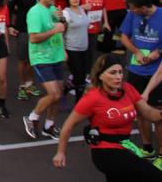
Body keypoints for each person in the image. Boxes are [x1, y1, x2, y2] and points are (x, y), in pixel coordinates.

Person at [52, 53, 162, 181]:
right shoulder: (93, 98)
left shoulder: (128, 89)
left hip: (124, 146)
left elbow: (149, 113)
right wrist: (60, 153)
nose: (118, 77)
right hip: (105, 151)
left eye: (120, 72)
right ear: (101, 75)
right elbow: (68, 125)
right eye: (113, 73)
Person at [120, 0, 162, 155]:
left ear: (144, 8)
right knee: (140, 112)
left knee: (158, 115)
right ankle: (147, 148)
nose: (130, 9)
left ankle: (161, 153)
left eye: (133, 7)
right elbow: (124, 37)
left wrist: (158, 51)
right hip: (136, 71)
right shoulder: (132, 15)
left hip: (157, 73)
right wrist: (136, 51)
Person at [23, 0, 67, 140]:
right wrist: (55, 30)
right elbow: (34, 38)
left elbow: (61, 28)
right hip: (41, 57)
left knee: (58, 94)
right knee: (54, 94)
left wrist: (63, 21)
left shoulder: (53, 9)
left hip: (56, 55)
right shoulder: (34, 13)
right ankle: (32, 117)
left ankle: (49, 126)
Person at [9, 0, 42, 101]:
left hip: (38, 31)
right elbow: (9, 7)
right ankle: (22, 86)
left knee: (33, 60)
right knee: (23, 60)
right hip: (23, 30)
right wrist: (10, 25)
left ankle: (30, 84)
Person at [62, 0, 91, 102]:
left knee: (82, 76)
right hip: (72, 49)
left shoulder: (82, 10)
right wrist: (63, 50)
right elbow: (61, 32)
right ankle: (79, 104)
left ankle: (66, 88)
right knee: (80, 78)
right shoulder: (66, 13)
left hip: (84, 48)